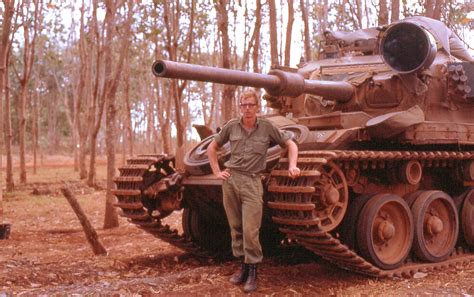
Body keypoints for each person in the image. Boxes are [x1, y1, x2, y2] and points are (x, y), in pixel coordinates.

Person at [207, 90, 300, 293]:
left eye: (251, 104)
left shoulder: (266, 127)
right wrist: (216, 172)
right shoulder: (232, 126)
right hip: (231, 180)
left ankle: (253, 271)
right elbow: (212, 147)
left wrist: (292, 165)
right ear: (240, 106)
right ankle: (242, 267)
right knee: (236, 227)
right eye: (244, 105)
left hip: (252, 181)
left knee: (250, 230)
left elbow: (290, 144)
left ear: (257, 106)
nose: (247, 108)